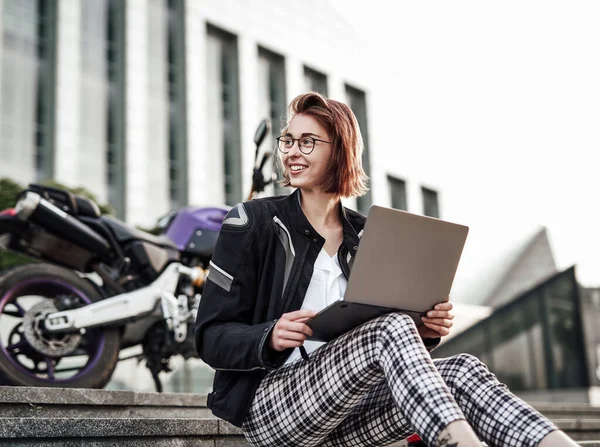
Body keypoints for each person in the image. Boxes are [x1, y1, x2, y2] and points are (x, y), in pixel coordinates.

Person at [195, 92, 577, 447]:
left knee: (462, 369)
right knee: (389, 329)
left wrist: (424, 328)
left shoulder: (368, 234)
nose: (293, 151)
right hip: (273, 407)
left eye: (308, 142)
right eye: (288, 141)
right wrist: (269, 336)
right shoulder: (253, 221)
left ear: (340, 151)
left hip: (349, 412)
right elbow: (210, 336)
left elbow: (380, 333)